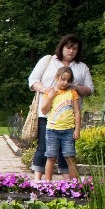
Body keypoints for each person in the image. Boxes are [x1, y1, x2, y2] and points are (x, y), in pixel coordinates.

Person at [28, 34, 94, 181]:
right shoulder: (48, 61)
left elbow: (90, 89)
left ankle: (67, 181)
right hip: (47, 113)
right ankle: (39, 180)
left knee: (67, 150)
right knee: (44, 146)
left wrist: (74, 87)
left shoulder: (82, 67)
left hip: (68, 116)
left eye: (75, 49)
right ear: (62, 47)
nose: (71, 51)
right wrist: (47, 90)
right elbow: (32, 81)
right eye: (68, 47)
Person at [40, 67, 81, 181]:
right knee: (51, 157)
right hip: (52, 130)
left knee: (70, 157)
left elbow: (77, 111)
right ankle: (47, 183)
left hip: (68, 130)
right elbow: (44, 110)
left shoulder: (72, 92)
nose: (65, 83)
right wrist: (51, 97)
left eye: (68, 81)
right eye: (63, 79)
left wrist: (77, 129)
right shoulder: (50, 92)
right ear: (56, 78)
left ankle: (75, 184)